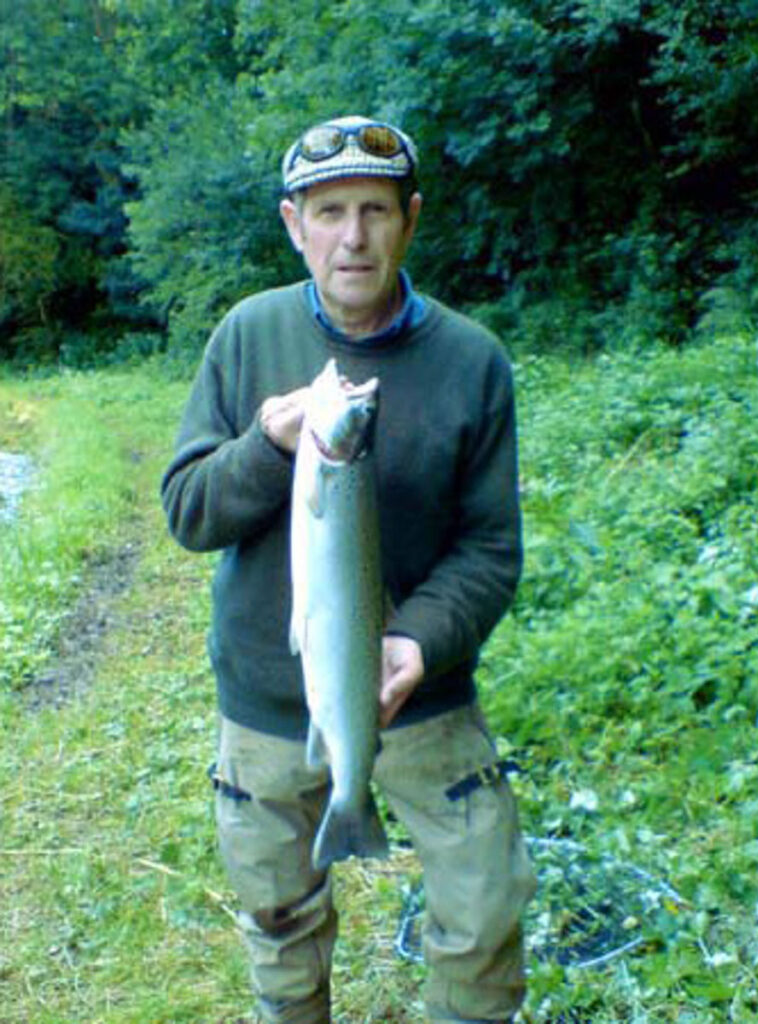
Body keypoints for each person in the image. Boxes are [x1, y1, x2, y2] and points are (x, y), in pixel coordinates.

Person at [161, 115, 536, 1024]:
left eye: (374, 210)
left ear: (410, 218)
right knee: (279, 922)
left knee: (487, 909)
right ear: (296, 224)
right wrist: (268, 444)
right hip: (268, 703)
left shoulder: (471, 361)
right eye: (329, 212)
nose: (353, 236)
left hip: (422, 696)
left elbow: (491, 548)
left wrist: (418, 641)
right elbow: (190, 509)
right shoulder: (246, 335)